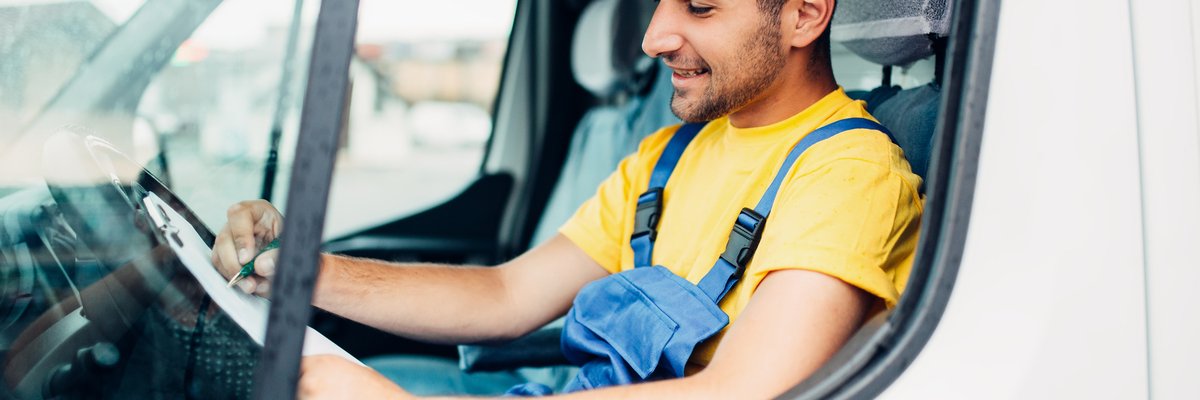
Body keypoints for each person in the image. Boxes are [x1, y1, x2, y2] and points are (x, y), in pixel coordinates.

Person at [211, 0, 923, 398]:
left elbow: (745, 390)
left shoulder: (851, 174)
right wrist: (300, 271)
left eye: (700, 6)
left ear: (805, 15)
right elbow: (505, 296)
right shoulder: (670, 154)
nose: (654, 36)